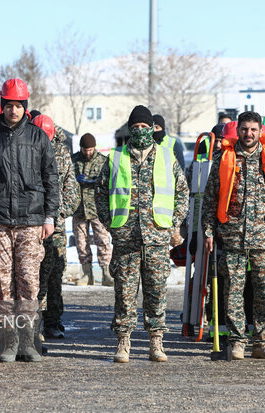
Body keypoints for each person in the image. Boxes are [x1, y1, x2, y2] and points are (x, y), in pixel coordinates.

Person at [0, 78, 59, 363]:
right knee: (3, 284)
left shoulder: (38, 138)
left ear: (25, 107)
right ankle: (8, 343)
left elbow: (51, 179)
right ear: (2, 105)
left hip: (31, 222)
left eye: (18, 105)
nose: (13, 110)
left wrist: (49, 216)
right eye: (8, 105)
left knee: (29, 283)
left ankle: (28, 342)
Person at [95, 105, 189, 363]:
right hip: (126, 238)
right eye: (134, 127)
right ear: (129, 129)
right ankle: (123, 342)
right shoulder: (115, 158)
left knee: (156, 292)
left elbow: (182, 192)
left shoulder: (167, 157)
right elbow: (100, 193)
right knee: (124, 293)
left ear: (151, 128)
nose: (139, 131)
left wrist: (173, 222)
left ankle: (156, 344)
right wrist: (110, 222)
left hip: (157, 237)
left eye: (144, 127)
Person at [202, 111, 265, 360]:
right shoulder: (224, 159)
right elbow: (210, 199)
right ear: (238, 130)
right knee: (233, 292)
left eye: (254, 129)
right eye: (244, 129)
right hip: (231, 236)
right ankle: (238, 340)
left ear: (260, 131)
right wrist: (209, 232)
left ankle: (262, 342)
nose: (249, 134)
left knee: (264, 291)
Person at [33, 115, 80, 340]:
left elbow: (72, 190)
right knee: (35, 278)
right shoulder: (28, 149)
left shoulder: (62, 154)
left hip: (56, 228)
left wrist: (58, 213)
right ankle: (34, 324)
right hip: (31, 225)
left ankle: (53, 322)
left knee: (54, 278)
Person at [71, 133, 113, 286]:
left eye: (90, 150)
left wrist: (97, 181)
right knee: (81, 243)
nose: (87, 153)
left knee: (102, 240)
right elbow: (66, 180)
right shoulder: (73, 160)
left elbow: (109, 182)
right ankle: (87, 274)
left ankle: (106, 274)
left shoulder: (103, 161)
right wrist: (75, 181)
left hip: (97, 209)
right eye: (84, 149)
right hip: (79, 208)